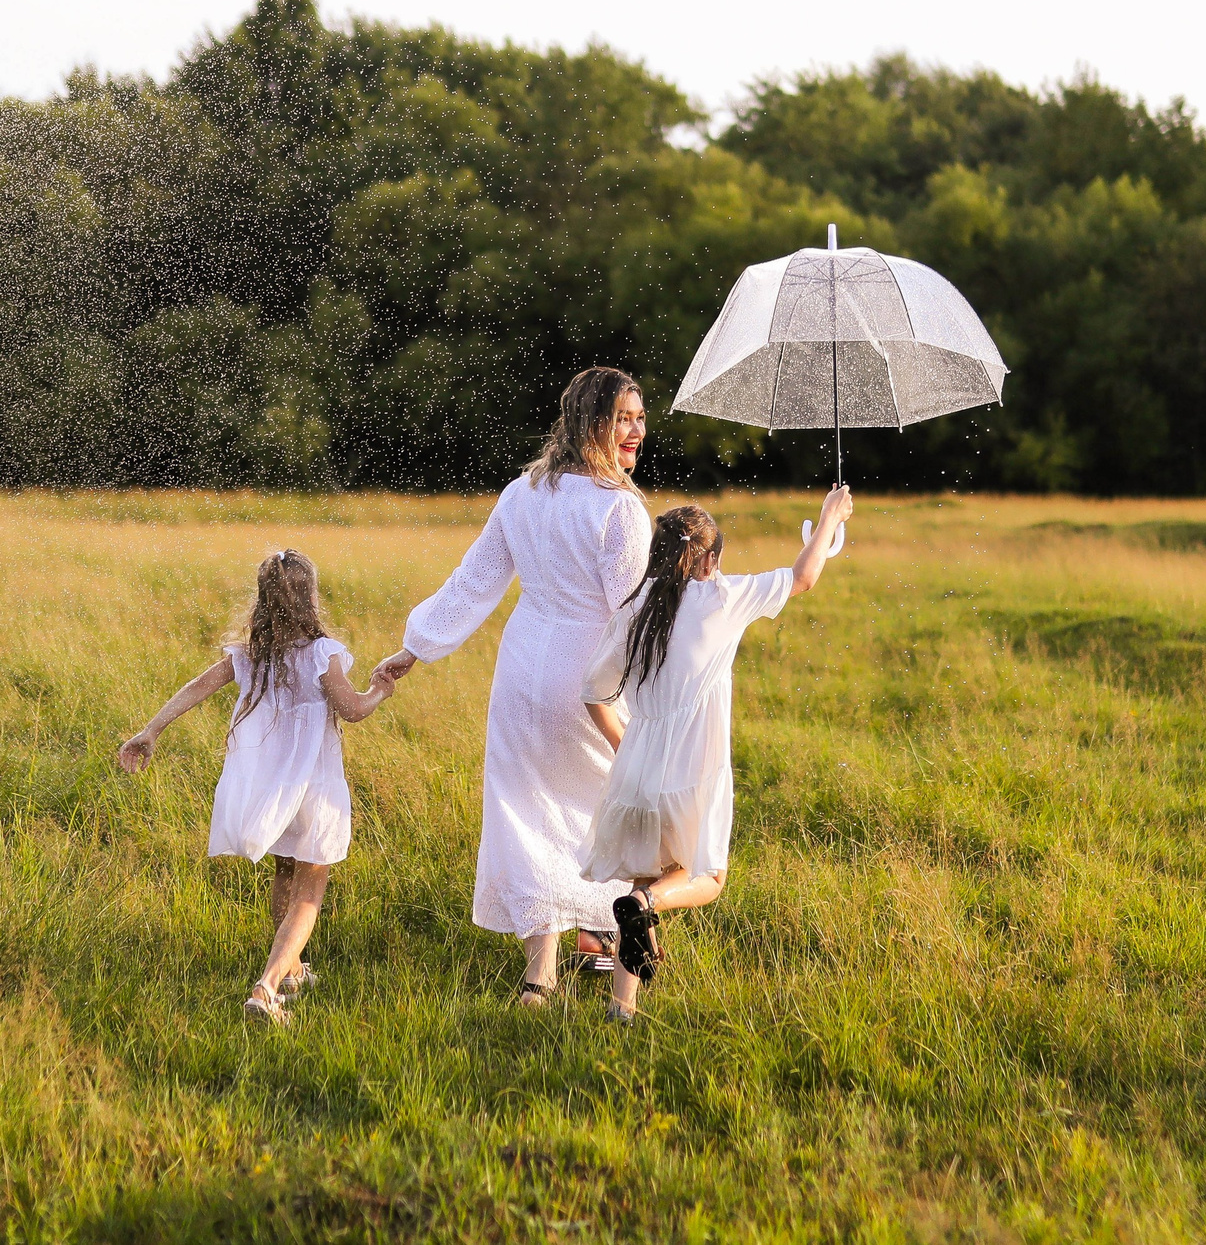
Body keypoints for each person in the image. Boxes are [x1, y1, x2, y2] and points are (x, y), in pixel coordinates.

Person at [361, 367, 652, 1006]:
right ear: (591, 424)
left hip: (522, 672)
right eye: (622, 418)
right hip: (588, 679)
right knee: (607, 809)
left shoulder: (523, 492)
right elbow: (631, 615)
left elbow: (474, 582)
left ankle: (541, 978)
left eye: (639, 417)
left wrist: (417, 646)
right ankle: (608, 947)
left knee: (528, 813)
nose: (635, 431)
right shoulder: (619, 508)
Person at [580, 482, 854, 1023]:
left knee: (647, 872)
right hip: (693, 769)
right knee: (705, 876)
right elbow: (803, 577)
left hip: (635, 768)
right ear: (707, 559)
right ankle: (643, 910)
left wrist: (625, 748)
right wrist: (829, 516)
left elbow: (592, 691)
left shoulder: (635, 607)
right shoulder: (720, 598)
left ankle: (622, 1008)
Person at [115, 548, 398, 1025]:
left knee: (285, 872)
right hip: (314, 787)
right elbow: (352, 709)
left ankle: (293, 970)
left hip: (270, 788)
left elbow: (196, 687)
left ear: (263, 601)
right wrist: (380, 691)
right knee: (311, 888)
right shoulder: (321, 654)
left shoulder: (250, 656)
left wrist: (151, 730)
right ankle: (267, 989)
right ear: (310, 596)